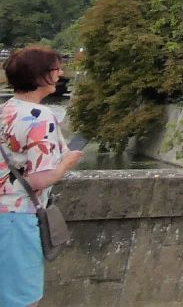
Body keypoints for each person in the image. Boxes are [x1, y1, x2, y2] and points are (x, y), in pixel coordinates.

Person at [2, 47, 82, 307]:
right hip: (17, 218)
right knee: (22, 300)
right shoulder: (40, 117)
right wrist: (66, 164)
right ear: (40, 77)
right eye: (55, 69)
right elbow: (39, 179)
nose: (60, 74)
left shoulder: (6, 110)